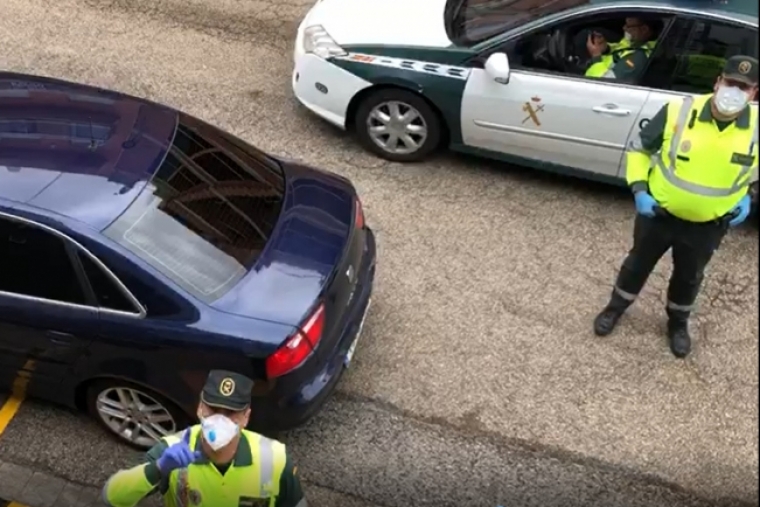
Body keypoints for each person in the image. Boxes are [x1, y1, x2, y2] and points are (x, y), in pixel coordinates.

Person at [592, 55, 759, 358]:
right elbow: (640, 151)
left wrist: (751, 196)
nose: (734, 92)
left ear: (754, 94)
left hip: (708, 226)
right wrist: (640, 190)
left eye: (744, 88)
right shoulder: (678, 111)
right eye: (731, 83)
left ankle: (677, 324)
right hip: (658, 215)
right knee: (637, 265)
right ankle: (615, 308)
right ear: (717, 82)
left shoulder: (757, 129)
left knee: (689, 277)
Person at [102, 370, 307, 507]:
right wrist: (157, 469)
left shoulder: (275, 458)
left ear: (246, 417)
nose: (220, 419)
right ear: (200, 407)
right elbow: (112, 496)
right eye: (213, 409)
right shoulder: (171, 451)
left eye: (230, 413)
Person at [584, 17, 658, 81]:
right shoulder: (635, 43)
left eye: (628, 26)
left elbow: (604, 84)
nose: (624, 28)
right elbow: (622, 49)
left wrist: (596, 57)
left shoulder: (638, 57)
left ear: (644, 29)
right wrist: (606, 49)